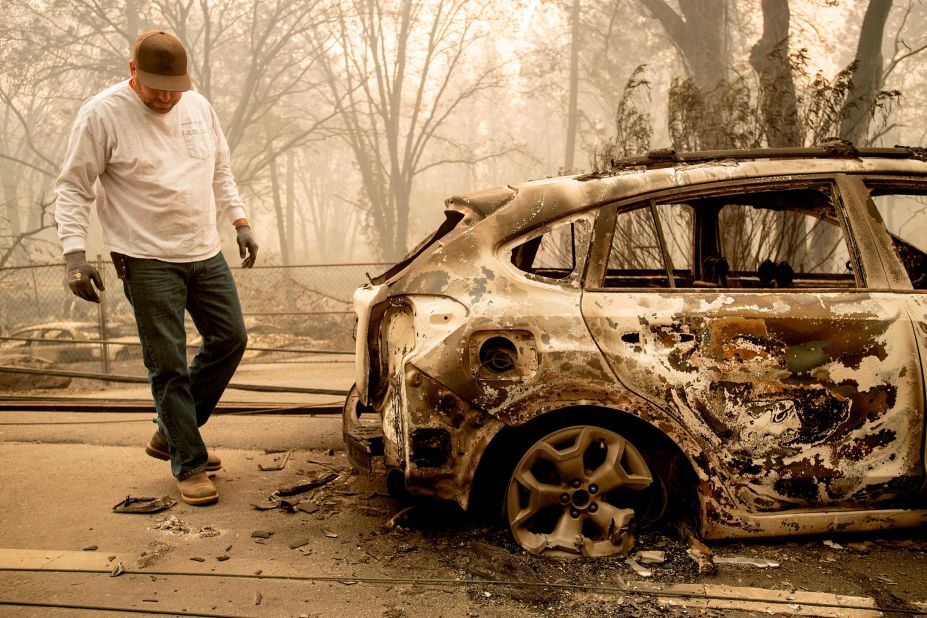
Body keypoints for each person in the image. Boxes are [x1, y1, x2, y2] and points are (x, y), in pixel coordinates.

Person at [54, 30, 258, 506]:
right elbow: (74, 187)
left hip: (202, 249)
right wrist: (74, 255)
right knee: (166, 362)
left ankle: (171, 431)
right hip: (144, 257)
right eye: (156, 88)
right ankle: (188, 462)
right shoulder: (102, 114)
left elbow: (220, 170)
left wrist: (240, 220)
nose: (167, 97)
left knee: (231, 338)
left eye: (175, 87)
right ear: (132, 73)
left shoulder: (198, 107)